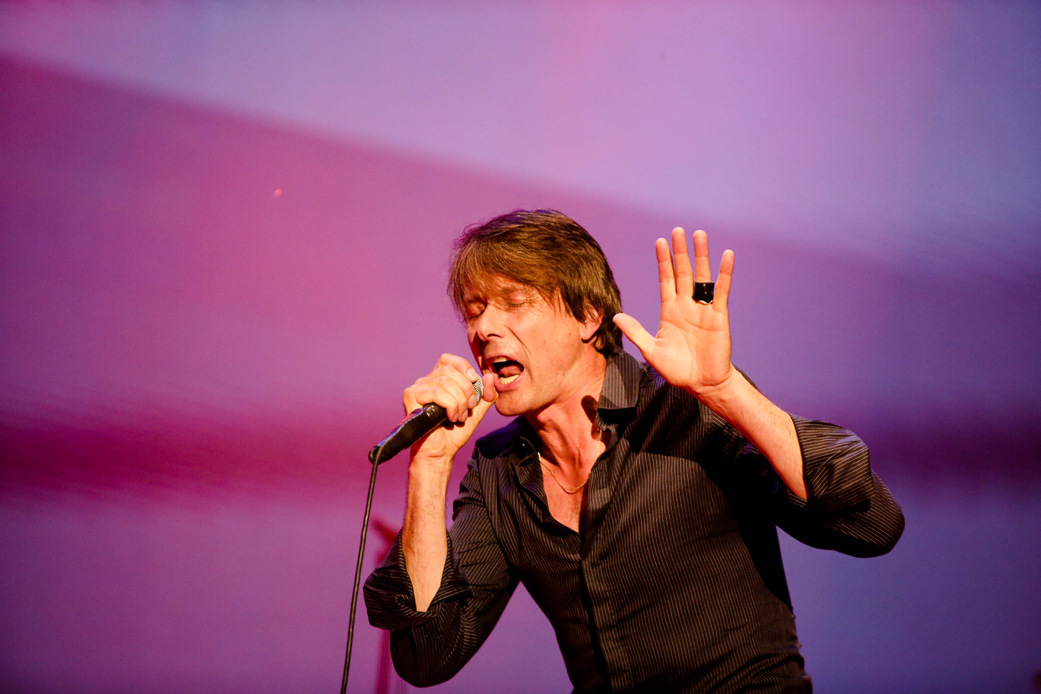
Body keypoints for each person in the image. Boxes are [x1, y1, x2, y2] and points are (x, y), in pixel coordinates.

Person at [364, 209, 904, 693]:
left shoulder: (687, 410)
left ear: (587, 315)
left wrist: (724, 391)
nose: (483, 328)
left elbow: (871, 525)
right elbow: (429, 655)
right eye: (475, 311)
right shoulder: (497, 469)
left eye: (513, 303)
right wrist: (429, 465)